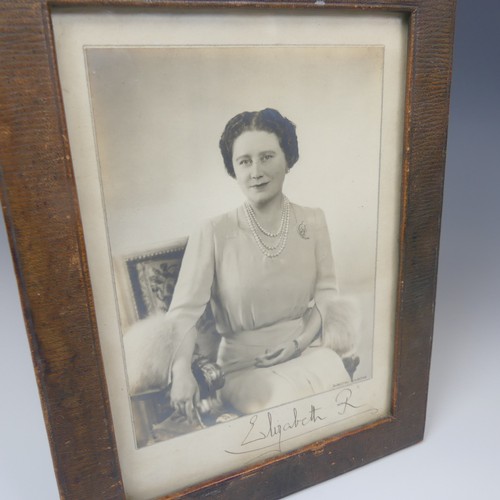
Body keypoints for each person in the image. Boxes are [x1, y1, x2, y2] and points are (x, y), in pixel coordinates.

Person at [163, 108, 355, 423]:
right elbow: (184, 313)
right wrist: (181, 370)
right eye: (244, 161)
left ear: (288, 159)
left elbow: (326, 293)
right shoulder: (213, 231)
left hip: (304, 351)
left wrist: (298, 343)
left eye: (267, 157)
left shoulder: (313, 220)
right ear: (233, 169)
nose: (256, 171)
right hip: (242, 370)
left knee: (338, 389)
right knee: (290, 406)